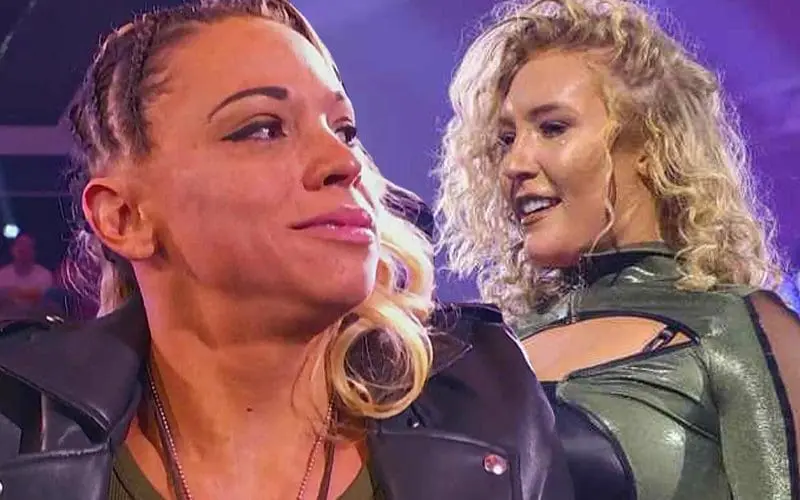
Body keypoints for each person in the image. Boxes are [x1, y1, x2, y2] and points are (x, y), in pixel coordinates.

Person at [0, 1, 573, 499]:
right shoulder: (16, 425)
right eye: (262, 128)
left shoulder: (488, 403)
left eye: (344, 131)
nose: (345, 163)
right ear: (124, 218)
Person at [434, 0, 800, 498]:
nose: (514, 163)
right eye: (505, 139)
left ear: (650, 141)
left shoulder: (733, 325)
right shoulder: (488, 353)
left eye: (553, 128)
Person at [0, 233, 54, 313]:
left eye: (28, 246)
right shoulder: (2, 275)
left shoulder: (44, 275)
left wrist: (12, 293)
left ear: (34, 252)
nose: (23, 249)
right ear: (12, 250)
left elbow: (44, 301)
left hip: (35, 318)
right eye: (20, 245)